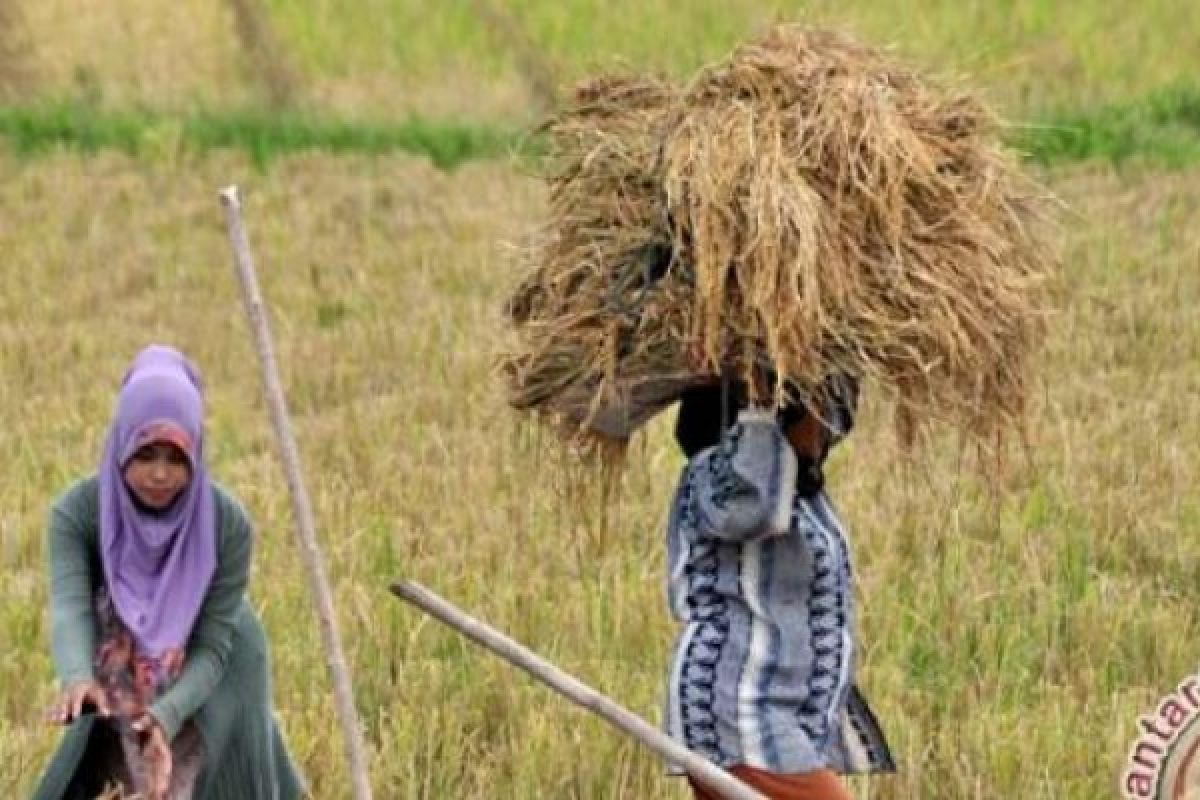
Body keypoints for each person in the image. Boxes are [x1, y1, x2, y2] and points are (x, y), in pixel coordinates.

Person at [34, 345, 305, 800]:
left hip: (210, 673)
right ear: (121, 444)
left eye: (177, 459)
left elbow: (215, 647)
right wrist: (78, 678)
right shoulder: (77, 514)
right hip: (119, 673)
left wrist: (166, 714)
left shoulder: (227, 524)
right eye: (145, 454)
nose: (160, 475)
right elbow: (70, 607)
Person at [665, 376, 895, 800]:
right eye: (818, 415)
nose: (826, 431)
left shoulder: (798, 489)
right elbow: (751, 510)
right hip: (739, 712)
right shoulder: (723, 478)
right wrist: (759, 405)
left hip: (780, 714)